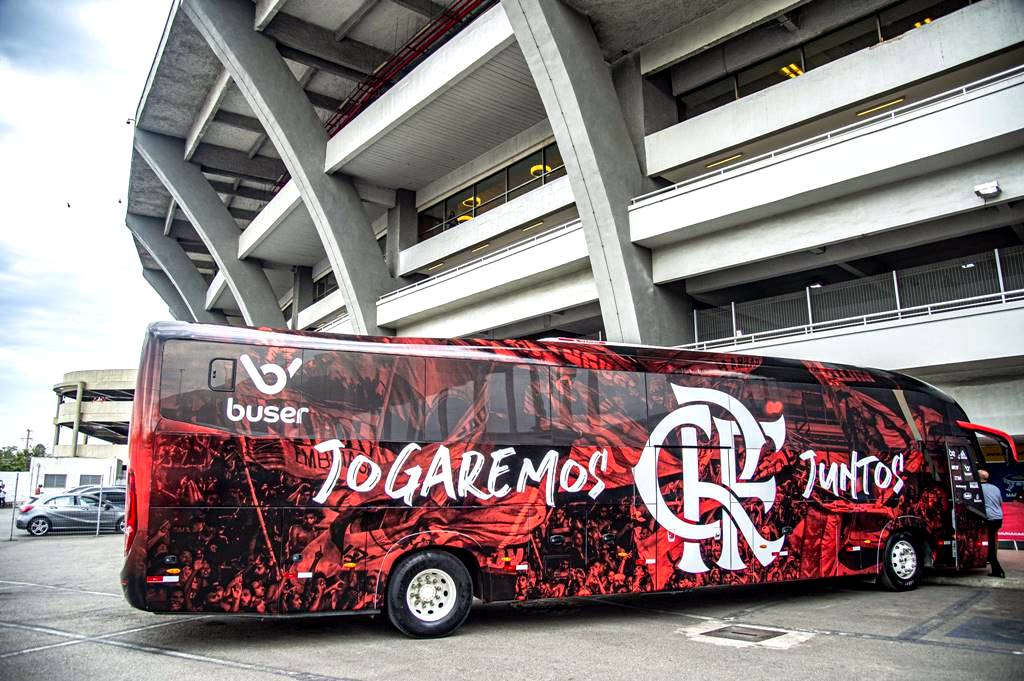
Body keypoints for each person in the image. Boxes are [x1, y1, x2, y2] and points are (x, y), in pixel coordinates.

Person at [979, 469, 1005, 578]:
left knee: (989, 546)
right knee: (993, 542)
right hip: (998, 518)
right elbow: (1000, 503)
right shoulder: (995, 488)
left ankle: (998, 570)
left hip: (989, 519)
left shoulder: (978, 489)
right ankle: (996, 568)